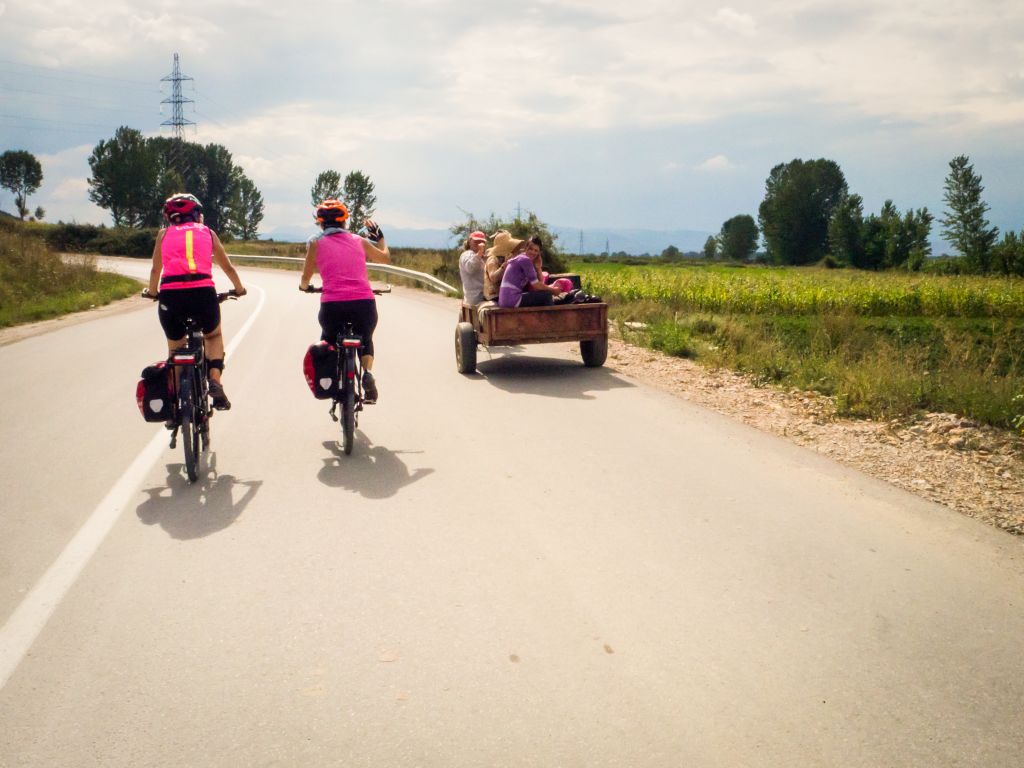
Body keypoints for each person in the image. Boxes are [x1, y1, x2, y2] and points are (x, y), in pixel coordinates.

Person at [144, 193, 246, 410]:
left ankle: (173, 405)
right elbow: (227, 266)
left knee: (176, 348)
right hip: (203, 293)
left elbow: (155, 269)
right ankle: (215, 381)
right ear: (197, 215)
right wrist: (239, 288)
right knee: (213, 335)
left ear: (170, 217)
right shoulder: (207, 232)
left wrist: (153, 292)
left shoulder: (163, 235)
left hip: (171, 297)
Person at [299, 199, 390, 403]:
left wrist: (305, 287)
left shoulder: (315, 243)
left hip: (333, 306)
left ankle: (334, 384)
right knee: (365, 340)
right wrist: (380, 238)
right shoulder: (360, 241)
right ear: (345, 222)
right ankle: (367, 373)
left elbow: (305, 278)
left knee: (329, 340)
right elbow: (385, 258)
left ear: (320, 223)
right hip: (363, 304)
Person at [498, 235, 567, 308]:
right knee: (546, 295)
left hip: (506, 300)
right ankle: (552, 319)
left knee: (542, 294)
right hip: (511, 300)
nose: (533, 252)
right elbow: (537, 286)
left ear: (538, 253)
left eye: (536, 250)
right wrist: (552, 290)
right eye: (530, 249)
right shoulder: (525, 260)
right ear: (526, 248)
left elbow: (539, 284)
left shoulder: (522, 258)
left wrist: (538, 268)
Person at [483, 230, 525, 302]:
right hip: (494, 295)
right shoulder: (492, 259)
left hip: (506, 293)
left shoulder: (507, 259)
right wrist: (505, 265)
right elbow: (493, 277)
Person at [458, 230, 488, 305]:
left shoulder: (479, 256)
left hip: (483, 295)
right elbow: (470, 268)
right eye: (476, 241)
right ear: (470, 242)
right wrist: (480, 253)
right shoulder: (467, 254)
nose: (479, 244)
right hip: (477, 296)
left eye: (481, 241)